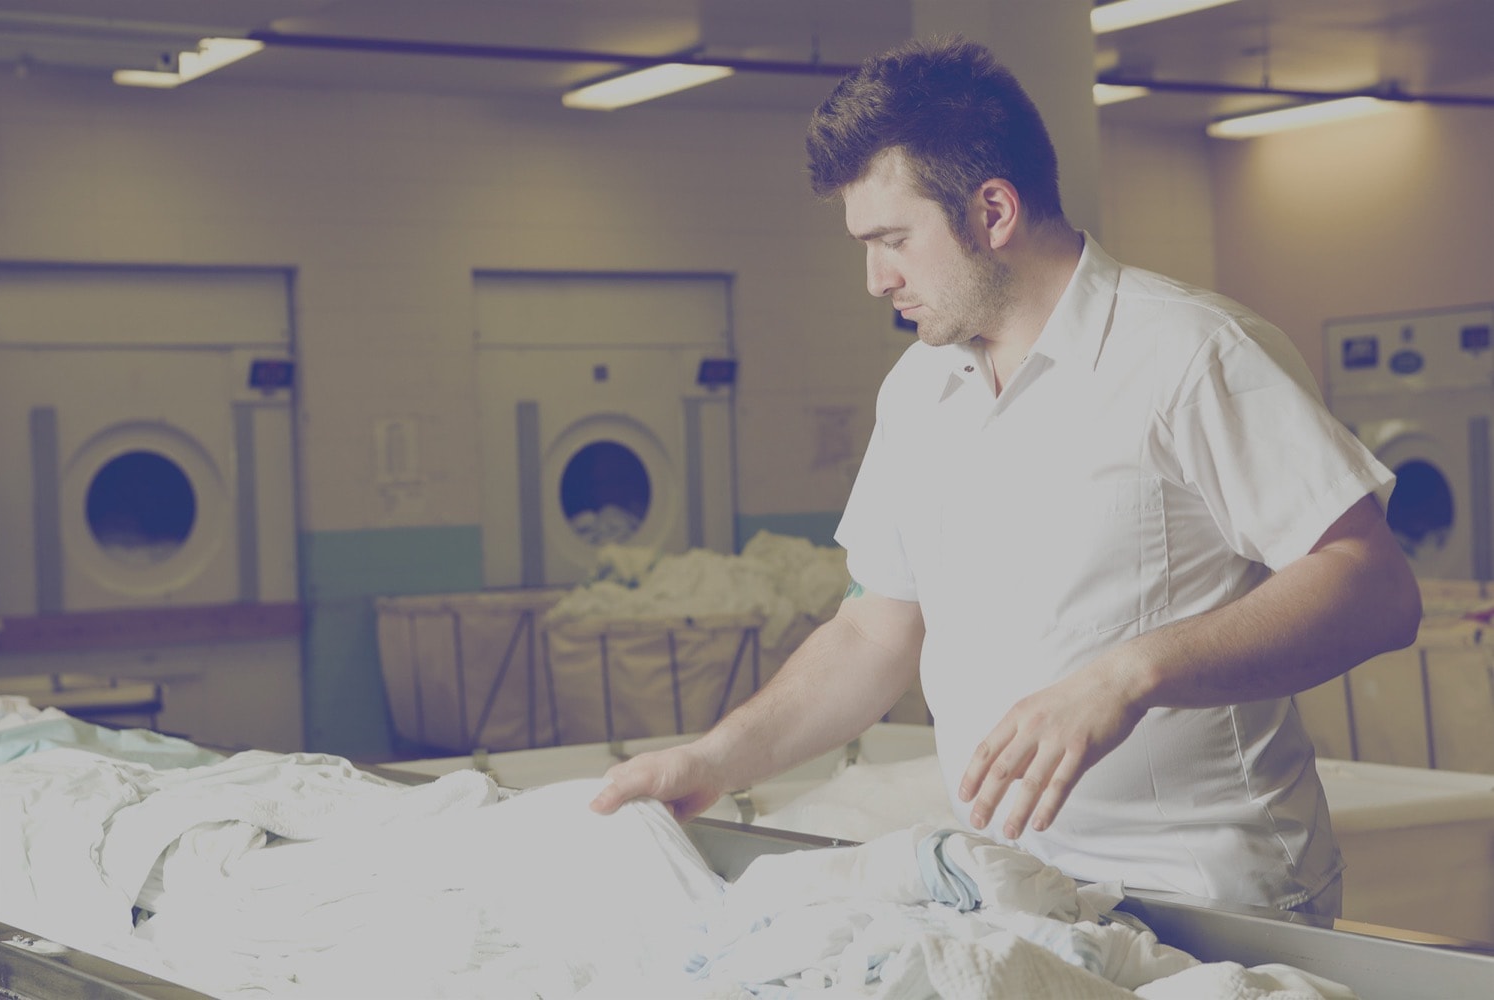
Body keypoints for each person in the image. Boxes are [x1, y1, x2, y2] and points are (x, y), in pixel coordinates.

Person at [591, 35, 1422, 917]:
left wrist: (1128, 675)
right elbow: (876, 631)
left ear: (992, 211)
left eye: (892, 240)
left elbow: (1373, 589)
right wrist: (713, 762)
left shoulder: (1191, 354)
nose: (875, 279)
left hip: (1211, 895)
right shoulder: (917, 391)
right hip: (1016, 888)